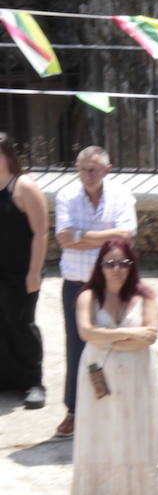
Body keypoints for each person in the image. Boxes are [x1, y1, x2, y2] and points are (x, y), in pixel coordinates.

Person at [69, 239, 158, 495]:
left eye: (123, 262)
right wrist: (127, 336)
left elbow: (152, 334)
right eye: (110, 263)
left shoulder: (146, 295)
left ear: (132, 265)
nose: (117, 269)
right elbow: (86, 332)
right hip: (98, 373)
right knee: (98, 430)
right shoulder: (88, 296)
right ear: (100, 266)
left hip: (137, 372)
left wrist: (107, 337)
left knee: (137, 428)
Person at [53, 145, 136, 437]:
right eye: (82, 169)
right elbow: (64, 238)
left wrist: (82, 236)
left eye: (93, 169)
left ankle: (112, 407)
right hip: (76, 283)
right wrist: (107, 236)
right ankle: (75, 410)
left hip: (112, 284)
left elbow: (127, 236)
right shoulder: (66, 195)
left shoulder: (122, 195)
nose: (86, 175)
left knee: (114, 345)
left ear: (106, 170)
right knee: (77, 348)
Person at [0, 133, 47, 409]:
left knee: (22, 325)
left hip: (20, 274)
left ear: (8, 154)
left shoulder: (24, 186)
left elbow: (40, 232)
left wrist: (35, 272)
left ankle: (34, 383)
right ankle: (7, 379)